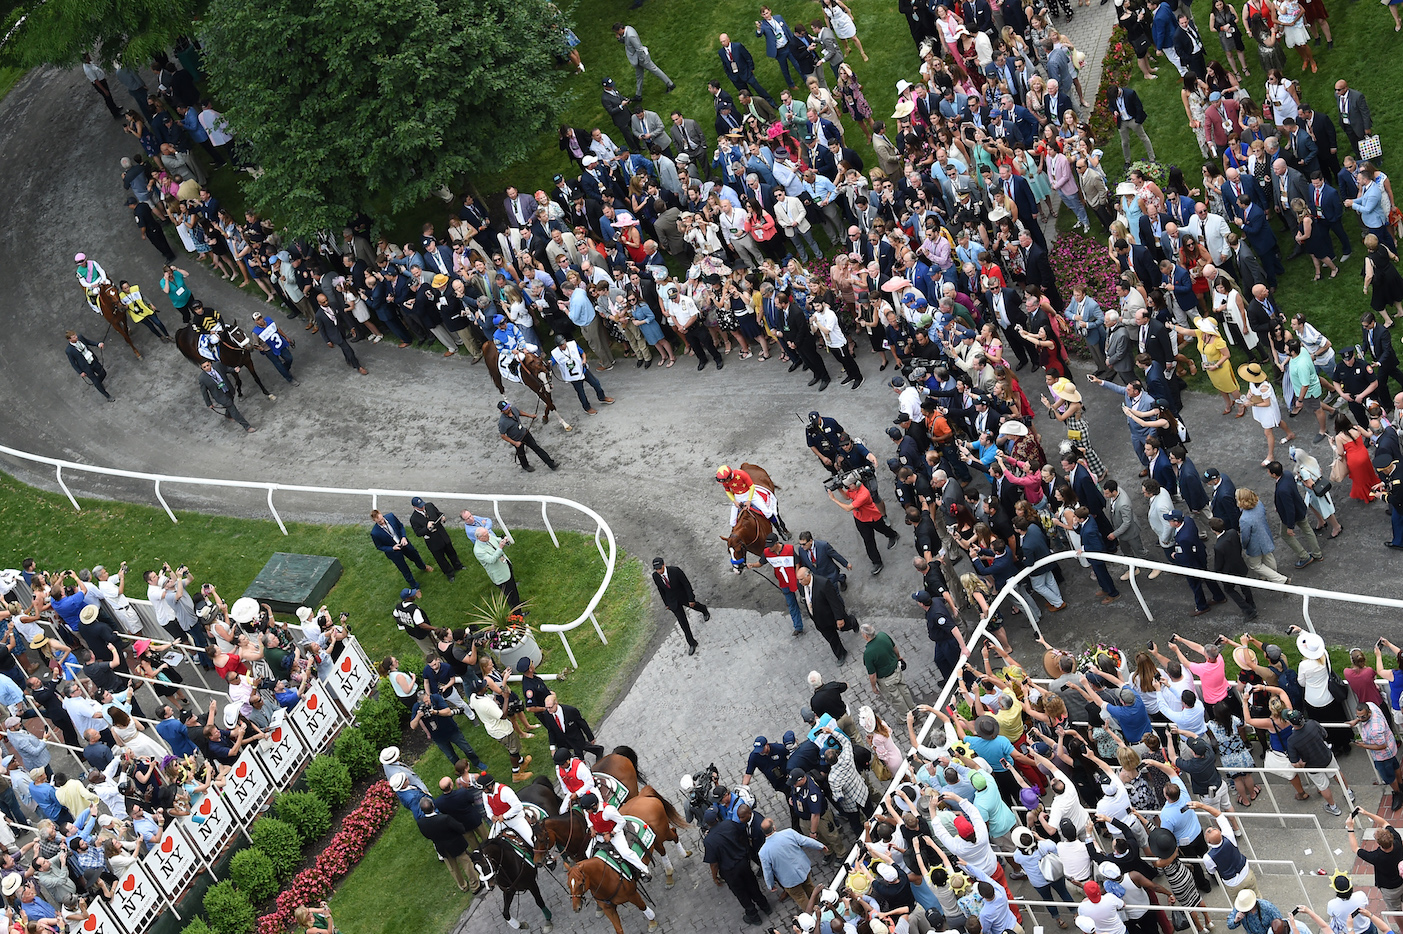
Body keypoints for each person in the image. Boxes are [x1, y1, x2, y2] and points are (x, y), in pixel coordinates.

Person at [704, 806, 771, 924]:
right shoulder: (729, 824)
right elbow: (742, 837)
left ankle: (754, 916)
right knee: (753, 885)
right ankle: (765, 906)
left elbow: (713, 864)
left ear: (707, 824)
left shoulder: (708, 841)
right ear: (717, 818)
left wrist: (715, 877)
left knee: (741, 893)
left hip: (730, 872)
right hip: (743, 863)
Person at [827, 473, 899, 574]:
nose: (847, 487)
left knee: (883, 529)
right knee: (868, 540)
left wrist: (834, 499)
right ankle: (877, 562)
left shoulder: (863, 494)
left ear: (856, 483)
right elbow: (847, 497)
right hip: (860, 518)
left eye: (849, 485)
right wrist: (839, 489)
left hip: (872, 517)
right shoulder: (853, 488)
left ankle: (893, 535)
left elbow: (848, 508)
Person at [415, 797, 480, 893]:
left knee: (453, 868)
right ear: (433, 806)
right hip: (456, 844)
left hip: (442, 847)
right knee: (466, 863)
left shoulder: (421, 823)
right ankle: (475, 885)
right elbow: (460, 828)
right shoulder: (445, 818)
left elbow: (427, 836)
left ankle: (463, 886)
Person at [1268, 460, 1324, 568]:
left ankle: (1304, 556)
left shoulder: (1282, 490)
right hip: (1300, 508)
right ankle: (1318, 554)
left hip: (1292, 516)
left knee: (1285, 535)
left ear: (1274, 474)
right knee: (1308, 531)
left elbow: (1289, 509)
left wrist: (1290, 527)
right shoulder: (1288, 474)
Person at [651, 558, 709, 655]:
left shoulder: (675, 571)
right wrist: (666, 604)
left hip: (683, 596)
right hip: (672, 602)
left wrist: (691, 598)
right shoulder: (655, 576)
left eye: (660, 568)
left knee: (695, 606)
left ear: (664, 565)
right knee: (683, 623)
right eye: (656, 569)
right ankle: (691, 643)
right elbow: (661, 590)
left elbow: (686, 584)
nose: (659, 571)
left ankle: (704, 610)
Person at [550, 333, 615, 414]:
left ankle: (602, 397)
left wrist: (584, 360)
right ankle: (587, 408)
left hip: (582, 370)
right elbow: (551, 362)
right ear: (558, 346)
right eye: (561, 345)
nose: (564, 345)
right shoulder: (555, 353)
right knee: (581, 392)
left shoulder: (572, 345)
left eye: (564, 343)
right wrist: (548, 364)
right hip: (573, 377)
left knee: (596, 383)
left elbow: (582, 353)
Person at [861, 622, 915, 718]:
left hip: (886, 680)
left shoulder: (868, 653)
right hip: (896, 670)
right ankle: (913, 709)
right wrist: (898, 657)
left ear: (865, 636)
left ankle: (906, 717)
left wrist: (873, 687)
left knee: (896, 699)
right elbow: (895, 647)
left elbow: (872, 674)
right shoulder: (883, 635)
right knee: (904, 690)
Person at [370, 508, 432, 588]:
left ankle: (423, 566)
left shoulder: (391, 516)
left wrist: (403, 537)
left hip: (403, 542)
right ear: (374, 521)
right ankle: (414, 585)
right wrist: (392, 548)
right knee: (404, 568)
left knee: (415, 555)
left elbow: (400, 526)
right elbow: (379, 546)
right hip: (394, 552)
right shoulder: (375, 533)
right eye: (379, 521)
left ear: (381, 514)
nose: (382, 522)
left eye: (382, 519)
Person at [408, 498, 464, 583]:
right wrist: (427, 528)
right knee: (441, 559)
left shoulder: (429, 506)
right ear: (414, 507)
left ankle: (458, 566)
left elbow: (438, 513)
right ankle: (449, 574)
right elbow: (418, 533)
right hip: (433, 542)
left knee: (451, 552)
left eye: (423, 505)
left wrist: (442, 517)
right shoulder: (414, 519)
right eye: (420, 507)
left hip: (442, 535)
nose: (423, 507)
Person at [497, 400, 557, 472]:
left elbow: (519, 412)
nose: (508, 409)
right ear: (502, 411)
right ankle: (525, 466)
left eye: (508, 407)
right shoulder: (502, 422)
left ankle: (551, 464)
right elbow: (503, 435)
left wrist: (530, 416)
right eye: (506, 409)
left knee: (536, 448)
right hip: (516, 440)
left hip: (525, 433)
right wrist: (515, 443)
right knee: (521, 453)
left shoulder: (513, 409)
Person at [198, 359, 255, 433]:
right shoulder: (202, 379)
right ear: (202, 368)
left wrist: (234, 369)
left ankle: (228, 414)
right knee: (233, 410)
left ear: (210, 363)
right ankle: (247, 427)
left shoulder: (217, 365)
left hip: (228, 389)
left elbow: (226, 369)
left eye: (207, 365)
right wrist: (208, 403)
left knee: (230, 402)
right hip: (220, 396)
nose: (207, 368)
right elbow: (204, 392)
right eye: (204, 367)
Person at [473, 526, 522, 609]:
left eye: (487, 533)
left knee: (513, 587)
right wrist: (500, 548)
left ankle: (518, 603)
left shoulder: (488, 537)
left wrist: (504, 540)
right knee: (510, 595)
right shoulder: (478, 551)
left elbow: (496, 539)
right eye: (486, 535)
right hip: (500, 574)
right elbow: (492, 560)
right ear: (480, 538)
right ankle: (517, 613)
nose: (489, 536)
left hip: (505, 565)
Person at [64, 331, 112, 402]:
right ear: (70, 340)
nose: (76, 337)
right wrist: (80, 372)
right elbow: (73, 363)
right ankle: (107, 396)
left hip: (93, 361)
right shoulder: (69, 350)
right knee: (95, 381)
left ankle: (98, 384)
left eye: (75, 335)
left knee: (103, 373)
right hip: (86, 368)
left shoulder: (80, 338)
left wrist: (98, 344)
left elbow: (88, 342)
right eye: (73, 337)